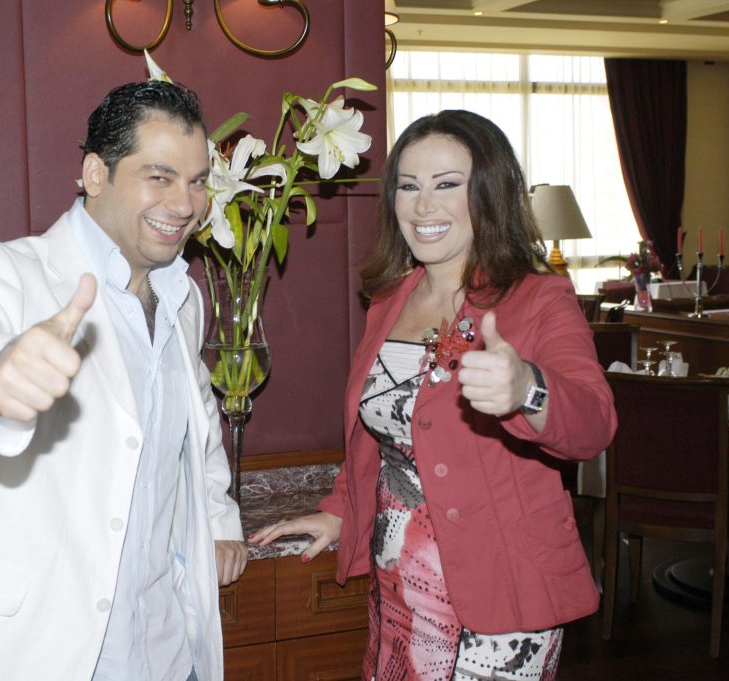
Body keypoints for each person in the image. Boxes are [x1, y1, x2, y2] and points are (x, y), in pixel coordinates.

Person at [0, 78, 248, 681]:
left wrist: (218, 519)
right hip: (38, 651)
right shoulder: (7, 270)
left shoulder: (182, 297)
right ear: (96, 174)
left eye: (196, 181)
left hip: (165, 646)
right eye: (159, 177)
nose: (185, 204)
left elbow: (199, 426)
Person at [250, 110, 616, 681]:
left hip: (502, 590)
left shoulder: (539, 298)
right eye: (408, 186)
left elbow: (594, 424)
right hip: (399, 578)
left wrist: (527, 388)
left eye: (447, 185)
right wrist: (341, 512)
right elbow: (380, 436)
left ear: (490, 194)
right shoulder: (390, 299)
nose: (423, 206)